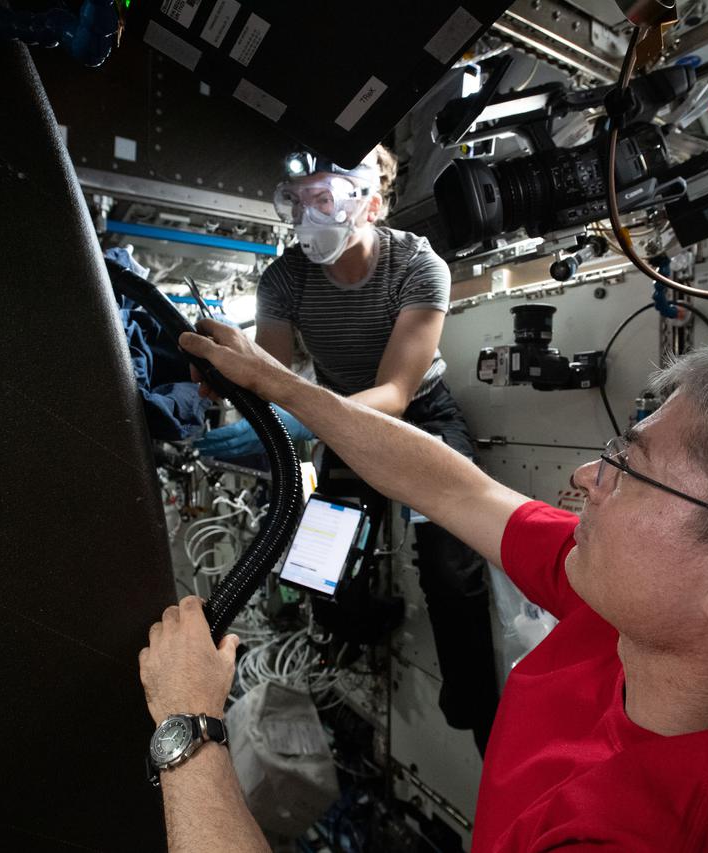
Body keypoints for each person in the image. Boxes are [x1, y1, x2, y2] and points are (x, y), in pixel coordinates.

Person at [139, 326, 708, 851]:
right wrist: (286, 387)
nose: (580, 479)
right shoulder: (680, 618)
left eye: (628, 468)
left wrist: (189, 725)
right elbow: (457, 487)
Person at [192, 145, 499, 753]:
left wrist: (304, 417)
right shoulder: (284, 278)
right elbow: (269, 372)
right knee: (318, 565)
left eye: (323, 199)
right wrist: (225, 376)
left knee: (448, 559)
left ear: (371, 204)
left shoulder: (417, 265)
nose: (309, 217)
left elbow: (395, 391)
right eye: (299, 202)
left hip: (419, 416)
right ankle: (356, 633)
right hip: (336, 422)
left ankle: (479, 710)